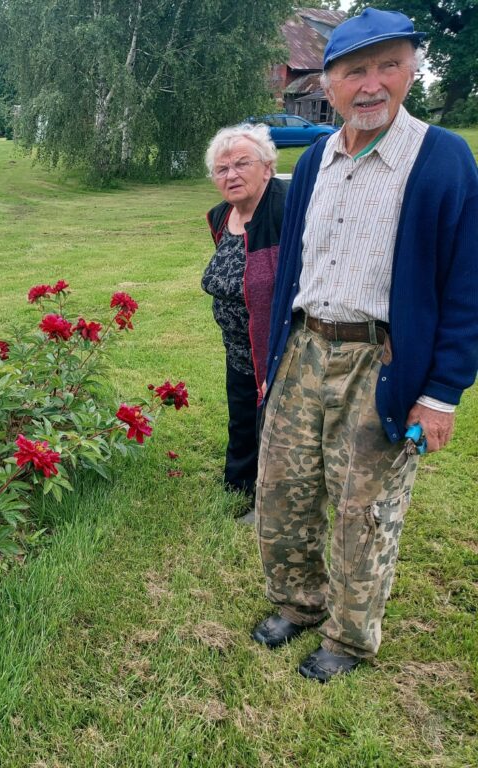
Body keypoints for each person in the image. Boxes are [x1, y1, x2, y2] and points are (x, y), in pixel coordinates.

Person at [251, 8, 478, 682]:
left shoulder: (442, 159)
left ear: (411, 69)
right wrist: (274, 360)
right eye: (355, 70)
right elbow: (294, 265)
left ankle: (349, 639)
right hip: (303, 348)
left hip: (382, 362)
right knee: (284, 489)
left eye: (389, 65)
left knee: (364, 509)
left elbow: (467, 285)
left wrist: (441, 395)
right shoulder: (317, 157)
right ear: (330, 80)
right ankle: (298, 602)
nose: (372, 84)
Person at [202, 125, 287, 516]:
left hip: (275, 347)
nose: (231, 174)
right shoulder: (223, 217)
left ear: (267, 168)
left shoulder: (285, 210)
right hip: (238, 346)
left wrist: (277, 352)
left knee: (273, 426)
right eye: (221, 169)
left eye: (241, 164)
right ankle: (237, 483)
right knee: (242, 416)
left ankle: (268, 501)